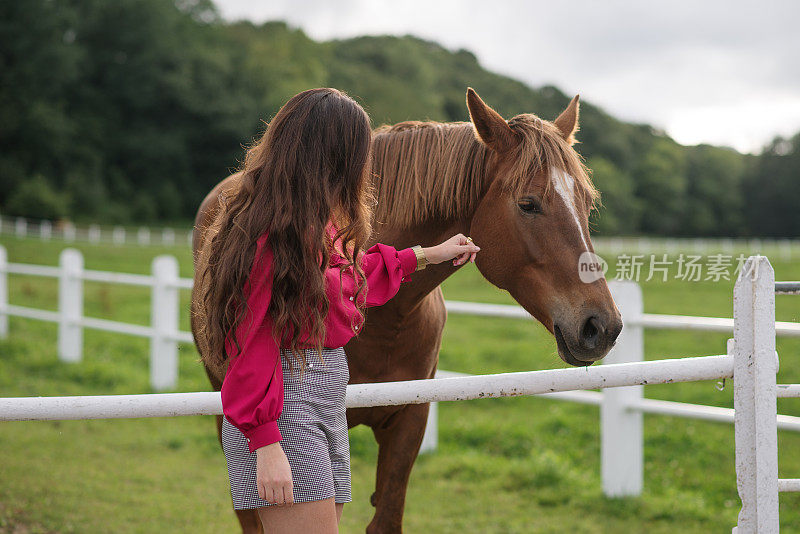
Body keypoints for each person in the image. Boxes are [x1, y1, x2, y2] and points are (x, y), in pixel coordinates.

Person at [196, 87, 481, 533]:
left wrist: (428, 255)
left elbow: (350, 276)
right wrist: (266, 442)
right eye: (360, 153)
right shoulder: (269, 235)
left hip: (324, 394)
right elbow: (249, 341)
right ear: (335, 158)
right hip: (286, 404)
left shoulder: (316, 225)